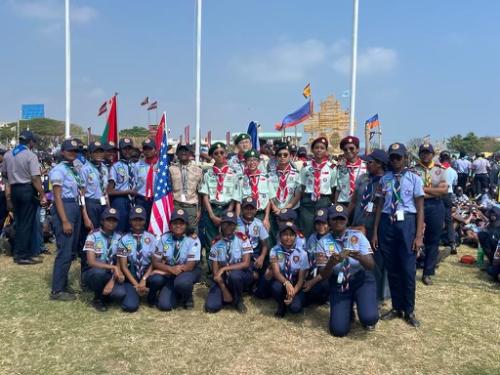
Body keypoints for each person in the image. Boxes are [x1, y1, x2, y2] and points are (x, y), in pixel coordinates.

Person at [372, 143, 425, 327]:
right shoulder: (384, 179)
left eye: (398, 157)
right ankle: (396, 307)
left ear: (405, 158)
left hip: (407, 224)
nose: (395, 160)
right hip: (387, 223)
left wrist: (418, 236)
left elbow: (420, 208)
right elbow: (379, 206)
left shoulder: (414, 178)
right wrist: (376, 232)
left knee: (408, 269)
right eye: (392, 157)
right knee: (392, 267)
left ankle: (409, 310)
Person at [320, 204, 378, 336]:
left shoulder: (358, 236)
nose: (338, 222)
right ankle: (348, 306)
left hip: (361, 280)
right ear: (329, 221)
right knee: (338, 330)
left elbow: (371, 266)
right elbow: (323, 276)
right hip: (339, 283)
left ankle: (363, 305)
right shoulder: (323, 242)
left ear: (347, 220)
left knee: (370, 318)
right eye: (334, 219)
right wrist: (331, 263)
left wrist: (360, 257)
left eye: (342, 219)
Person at [49, 139, 92, 301]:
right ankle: (57, 290)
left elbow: (80, 193)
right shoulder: (59, 170)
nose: (73, 153)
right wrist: (65, 220)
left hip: (74, 206)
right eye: (69, 151)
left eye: (75, 151)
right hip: (64, 208)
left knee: (71, 250)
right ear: (62, 151)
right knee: (64, 251)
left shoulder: (74, 168)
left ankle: (63, 284)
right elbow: (57, 197)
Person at [349, 149, 390, 305]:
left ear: (379, 164)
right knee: (357, 259)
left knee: (376, 262)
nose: (366, 164)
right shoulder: (362, 179)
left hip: (375, 227)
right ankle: (356, 291)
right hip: (358, 224)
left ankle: (378, 296)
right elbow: (353, 201)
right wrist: (346, 218)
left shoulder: (386, 181)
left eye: (370, 162)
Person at [2, 130, 47, 264]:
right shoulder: (30, 155)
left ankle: (18, 251)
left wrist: (8, 197)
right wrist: (43, 194)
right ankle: (23, 255)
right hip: (27, 190)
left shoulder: (8, 155)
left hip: (14, 190)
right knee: (26, 224)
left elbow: (5, 177)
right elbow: (35, 178)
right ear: (31, 142)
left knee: (19, 222)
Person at [149, 209, 202, 310]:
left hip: (189, 272)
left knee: (182, 282)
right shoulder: (164, 238)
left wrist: (165, 272)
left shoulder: (193, 240)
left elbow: (189, 266)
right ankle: (175, 293)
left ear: (186, 225)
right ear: (170, 225)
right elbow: (155, 261)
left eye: (182, 223)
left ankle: (187, 298)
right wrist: (170, 269)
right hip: (171, 271)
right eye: (175, 223)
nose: (178, 226)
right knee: (164, 306)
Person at [204, 212, 253, 313]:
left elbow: (246, 263)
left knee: (234, 276)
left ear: (235, 226)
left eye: (231, 224)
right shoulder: (215, 242)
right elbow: (215, 272)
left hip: (241, 274)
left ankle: (238, 300)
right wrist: (221, 284)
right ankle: (228, 293)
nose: (228, 226)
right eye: (225, 223)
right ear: (221, 224)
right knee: (211, 307)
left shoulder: (242, 238)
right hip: (224, 277)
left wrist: (225, 268)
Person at [414, 143, 448, 285]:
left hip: (435, 206)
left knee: (433, 240)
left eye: (428, 152)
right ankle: (412, 267)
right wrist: (433, 191)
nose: (425, 155)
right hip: (416, 205)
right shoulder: (413, 170)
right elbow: (412, 191)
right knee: (414, 236)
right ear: (419, 154)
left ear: (433, 154)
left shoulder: (440, 170)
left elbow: (444, 190)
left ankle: (428, 272)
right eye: (423, 152)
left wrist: (422, 190)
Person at [199, 142, 240, 254]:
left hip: (227, 208)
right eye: (216, 153)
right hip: (212, 209)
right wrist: (212, 215)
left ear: (226, 154)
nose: (219, 155)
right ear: (212, 156)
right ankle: (211, 269)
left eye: (222, 152)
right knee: (211, 240)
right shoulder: (207, 174)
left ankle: (226, 265)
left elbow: (235, 196)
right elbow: (205, 195)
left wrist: (229, 211)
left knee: (228, 238)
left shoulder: (234, 173)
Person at [82, 207, 126, 311]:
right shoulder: (93, 235)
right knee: (98, 273)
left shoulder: (120, 237)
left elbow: (120, 260)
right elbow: (91, 262)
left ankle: (106, 293)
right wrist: (113, 267)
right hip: (94, 272)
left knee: (120, 294)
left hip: (112, 274)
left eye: (114, 220)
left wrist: (112, 279)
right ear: (102, 220)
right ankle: (98, 299)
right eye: (108, 219)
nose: (111, 222)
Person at [116, 206, 157, 312]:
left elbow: (154, 262)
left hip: (147, 275)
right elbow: (124, 266)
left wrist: (143, 280)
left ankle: (151, 295)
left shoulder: (152, 238)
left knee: (157, 279)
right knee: (131, 306)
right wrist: (136, 284)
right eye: (135, 219)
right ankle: (136, 291)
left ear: (145, 221)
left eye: (140, 219)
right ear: (130, 221)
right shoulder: (123, 240)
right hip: (131, 277)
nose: (137, 222)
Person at [269, 222, 309, 317]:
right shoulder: (274, 250)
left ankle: (293, 299)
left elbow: (301, 280)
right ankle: (281, 304)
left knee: (295, 308)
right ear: (280, 236)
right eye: (285, 235)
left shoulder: (302, 253)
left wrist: (292, 293)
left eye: (291, 235)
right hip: (282, 280)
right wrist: (286, 283)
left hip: (296, 283)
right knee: (275, 287)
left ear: (295, 237)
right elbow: (276, 273)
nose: (288, 238)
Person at [299, 137, 336, 238]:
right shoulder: (306, 166)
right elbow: (302, 185)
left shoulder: (331, 167)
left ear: (326, 150)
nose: (319, 150)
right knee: (307, 228)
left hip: (324, 201)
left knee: (323, 229)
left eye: (322, 148)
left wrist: (327, 199)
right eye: (316, 147)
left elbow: (333, 187)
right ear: (312, 150)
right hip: (307, 202)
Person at [236, 196, 270, 298]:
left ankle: (253, 286)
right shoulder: (235, 223)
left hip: (254, 253)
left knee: (261, 272)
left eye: (252, 209)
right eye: (246, 208)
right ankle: (244, 286)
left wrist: (262, 257)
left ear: (256, 210)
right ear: (242, 209)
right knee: (250, 274)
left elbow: (264, 245)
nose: (249, 211)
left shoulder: (258, 224)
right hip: (240, 253)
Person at [268, 143, 302, 242]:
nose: (282, 157)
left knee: (290, 238)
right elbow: (269, 195)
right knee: (274, 238)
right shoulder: (269, 175)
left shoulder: (297, 174)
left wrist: (284, 210)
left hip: (291, 211)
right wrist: (275, 208)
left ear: (290, 156)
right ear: (276, 157)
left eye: (285, 155)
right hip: (275, 212)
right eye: (279, 155)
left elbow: (297, 195)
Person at [169, 144, 203, 233]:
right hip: (176, 205)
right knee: (176, 232)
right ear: (177, 153)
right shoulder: (171, 169)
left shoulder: (198, 170)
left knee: (192, 233)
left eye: (186, 151)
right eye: (181, 151)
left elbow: (199, 192)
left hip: (191, 207)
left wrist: (199, 210)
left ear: (190, 153)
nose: (183, 153)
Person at [238, 149, 275, 229]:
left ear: (259, 162)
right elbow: (238, 201)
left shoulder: (266, 178)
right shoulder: (241, 179)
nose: (252, 163)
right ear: (245, 162)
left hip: (262, 214)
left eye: (255, 160)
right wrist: (239, 220)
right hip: (247, 215)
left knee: (265, 240)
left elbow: (268, 200)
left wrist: (266, 218)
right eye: (249, 160)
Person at [302, 209, 332, 306]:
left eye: (324, 223)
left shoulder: (332, 240)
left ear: (330, 224)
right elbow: (306, 256)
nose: (321, 227)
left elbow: (329, 269)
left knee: (318, 290)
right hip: (311, 272)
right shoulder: (312, 237)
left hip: (324, 276)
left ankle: (326, 298)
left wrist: (311, 282)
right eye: (318, 223)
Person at [108, 138, 136, 233]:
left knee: (131, 229)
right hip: (120, 201)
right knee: (119, 229)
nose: (127, 151)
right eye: (125, 148)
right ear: (120, 150)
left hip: (133, 201)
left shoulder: (135, 166)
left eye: (129, 148)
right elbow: (109, 191)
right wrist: (128, 192)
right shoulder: (115, 167)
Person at [334, 136, 367, 206]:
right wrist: (335, 206)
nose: (348, 151)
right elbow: (338, 189)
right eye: (345, 149)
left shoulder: (366, 166)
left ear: (358, 149)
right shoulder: (340, 168)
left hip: (360, 203)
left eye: (351, 148)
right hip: (343, 203)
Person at [132, 139, 157, 228]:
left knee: (155, 225)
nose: (147, 151)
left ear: (155, 150)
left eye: (150, 148)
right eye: (145, 149)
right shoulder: (137, 165)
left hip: (156, 200)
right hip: (141, 200)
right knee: (141, 224)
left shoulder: (161, 165)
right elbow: (134, 182)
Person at [440, 150, 458, 254]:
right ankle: (452, 243)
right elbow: (454, 184)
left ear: (440, 159)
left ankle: (436, 240)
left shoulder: (436, 170)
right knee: (449, 220)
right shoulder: (453, 171)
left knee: (436, 219)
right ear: (449, 159)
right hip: (448, 194)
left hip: (437, 194)